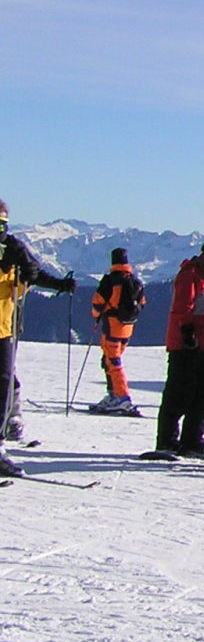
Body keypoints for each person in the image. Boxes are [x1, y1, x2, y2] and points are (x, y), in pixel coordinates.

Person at [0, 200, 76, 473]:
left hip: (4, 327)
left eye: (3, 225)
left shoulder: (12, 249)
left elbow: (31, 273)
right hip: (5, 327)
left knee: (4, 382)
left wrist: (57, 284)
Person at [154, 236, 204, 458]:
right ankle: (167, 441)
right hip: (185, 345)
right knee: (179, 393)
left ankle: (192, 440)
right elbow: (182, 306)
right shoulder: (191, 274)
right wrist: (186, 333)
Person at [89, 247, 145, 414]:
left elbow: (98, 303)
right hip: (128, 327)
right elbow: (143, 302)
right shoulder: (135, 281)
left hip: (112, 325)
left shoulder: (110, 280)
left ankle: (120, 396)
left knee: (112, 362)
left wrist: (97, 315)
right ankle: (114, 394)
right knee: (111, 360)